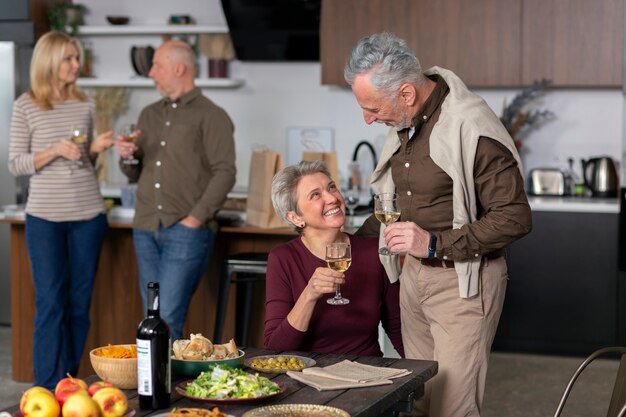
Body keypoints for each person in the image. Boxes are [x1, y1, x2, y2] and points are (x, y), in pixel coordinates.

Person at [344, 33, 532, 417]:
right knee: (420, 399)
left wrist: (433, 244)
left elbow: (514, 217)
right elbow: (397, 209)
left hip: (462, 283)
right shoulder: (404, 125)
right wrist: (337, 241)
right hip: (413, 279)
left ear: (407, 94)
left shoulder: (471, 125)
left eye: (372, 107)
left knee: (452, 408)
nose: (367, 119)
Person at [8, 31, 115, 389]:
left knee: (78, 305)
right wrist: (54, 149)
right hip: (45, 219)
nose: (75, 64)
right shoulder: (25, 105)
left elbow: (83, 158)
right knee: (51, 304)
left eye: (76, 57)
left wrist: (95, 148)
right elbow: (15, 164)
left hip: (88, 215)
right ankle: (46, 385)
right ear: (50, 61)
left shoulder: (85, 104)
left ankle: (67, 382)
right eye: (69, 58)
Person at [115, 40, 236, 342]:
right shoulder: (148, 115)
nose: (151, 72)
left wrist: (195, 218)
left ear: (179, 68)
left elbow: (226, 172)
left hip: (186, 231)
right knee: (152, 316)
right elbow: (134, 172)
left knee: (167, 317)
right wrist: (128, 156)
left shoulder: (212, 116)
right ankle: (153, 387)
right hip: (145, 227)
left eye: (157, 66)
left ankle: (162, 388)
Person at [265, 160, 404, 357]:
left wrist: (425, 374)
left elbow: (398, 328)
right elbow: (275, 349)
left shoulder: (374, 251)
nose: (331, 198)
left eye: (332, 188)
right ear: (295, 217)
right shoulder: (283, 258)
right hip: (310, 376)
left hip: (369, 374)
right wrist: (309, 295)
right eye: (316, 195)